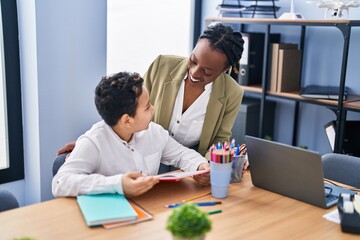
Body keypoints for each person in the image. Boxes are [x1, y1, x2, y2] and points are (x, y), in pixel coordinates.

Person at [57, 23, 245, 166]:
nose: (195, 73)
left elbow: (220, 140)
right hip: (147, 156)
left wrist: (207, 169)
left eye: (207, 72)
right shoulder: (162, 65)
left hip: (190, 162)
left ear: (225, 69)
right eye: (193, 61)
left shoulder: (232, 93)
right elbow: (129, 108)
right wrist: (93, 143)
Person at [52, 72, 210, 198]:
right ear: (127, 121)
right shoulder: (93, 142)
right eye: (147, 107)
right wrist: (118, 184)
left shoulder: (154, 132)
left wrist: (200, 166)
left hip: (147, 210)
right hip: (111, 217)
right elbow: (60, 182)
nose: (153, 109)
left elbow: (182, 154)